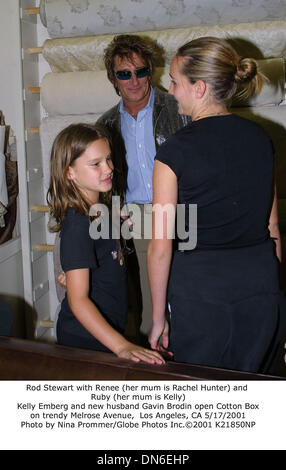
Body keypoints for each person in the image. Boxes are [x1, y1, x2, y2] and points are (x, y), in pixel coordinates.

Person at [147, 36, 286, 374]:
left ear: (200, 88)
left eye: (177, 81)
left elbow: (160, 247)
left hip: (203, 295)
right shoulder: (261, 138)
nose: (170, 88)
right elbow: (273, 229)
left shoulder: (173, 153)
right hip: (261, 287)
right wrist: (274, 290)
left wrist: (157, 318)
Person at [97, 34, 190, 341]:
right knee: (148, 306)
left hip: (182, 210)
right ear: (113, 78)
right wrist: (112, 217)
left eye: (140, 71)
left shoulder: (180, 110)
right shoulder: (105, 124)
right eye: (124, 73)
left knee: (189, 297)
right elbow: (103, 182)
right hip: (134, 219)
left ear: (151, 71)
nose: (133, 80)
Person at [47, 122, 165, 365]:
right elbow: (78, 301)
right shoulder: (78, 224)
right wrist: (122, 346)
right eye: (95, 164)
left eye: (108, 159)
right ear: (69, 172)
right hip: (85, 339)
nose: (109, 168)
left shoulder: (99, 213)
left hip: (107, 330)